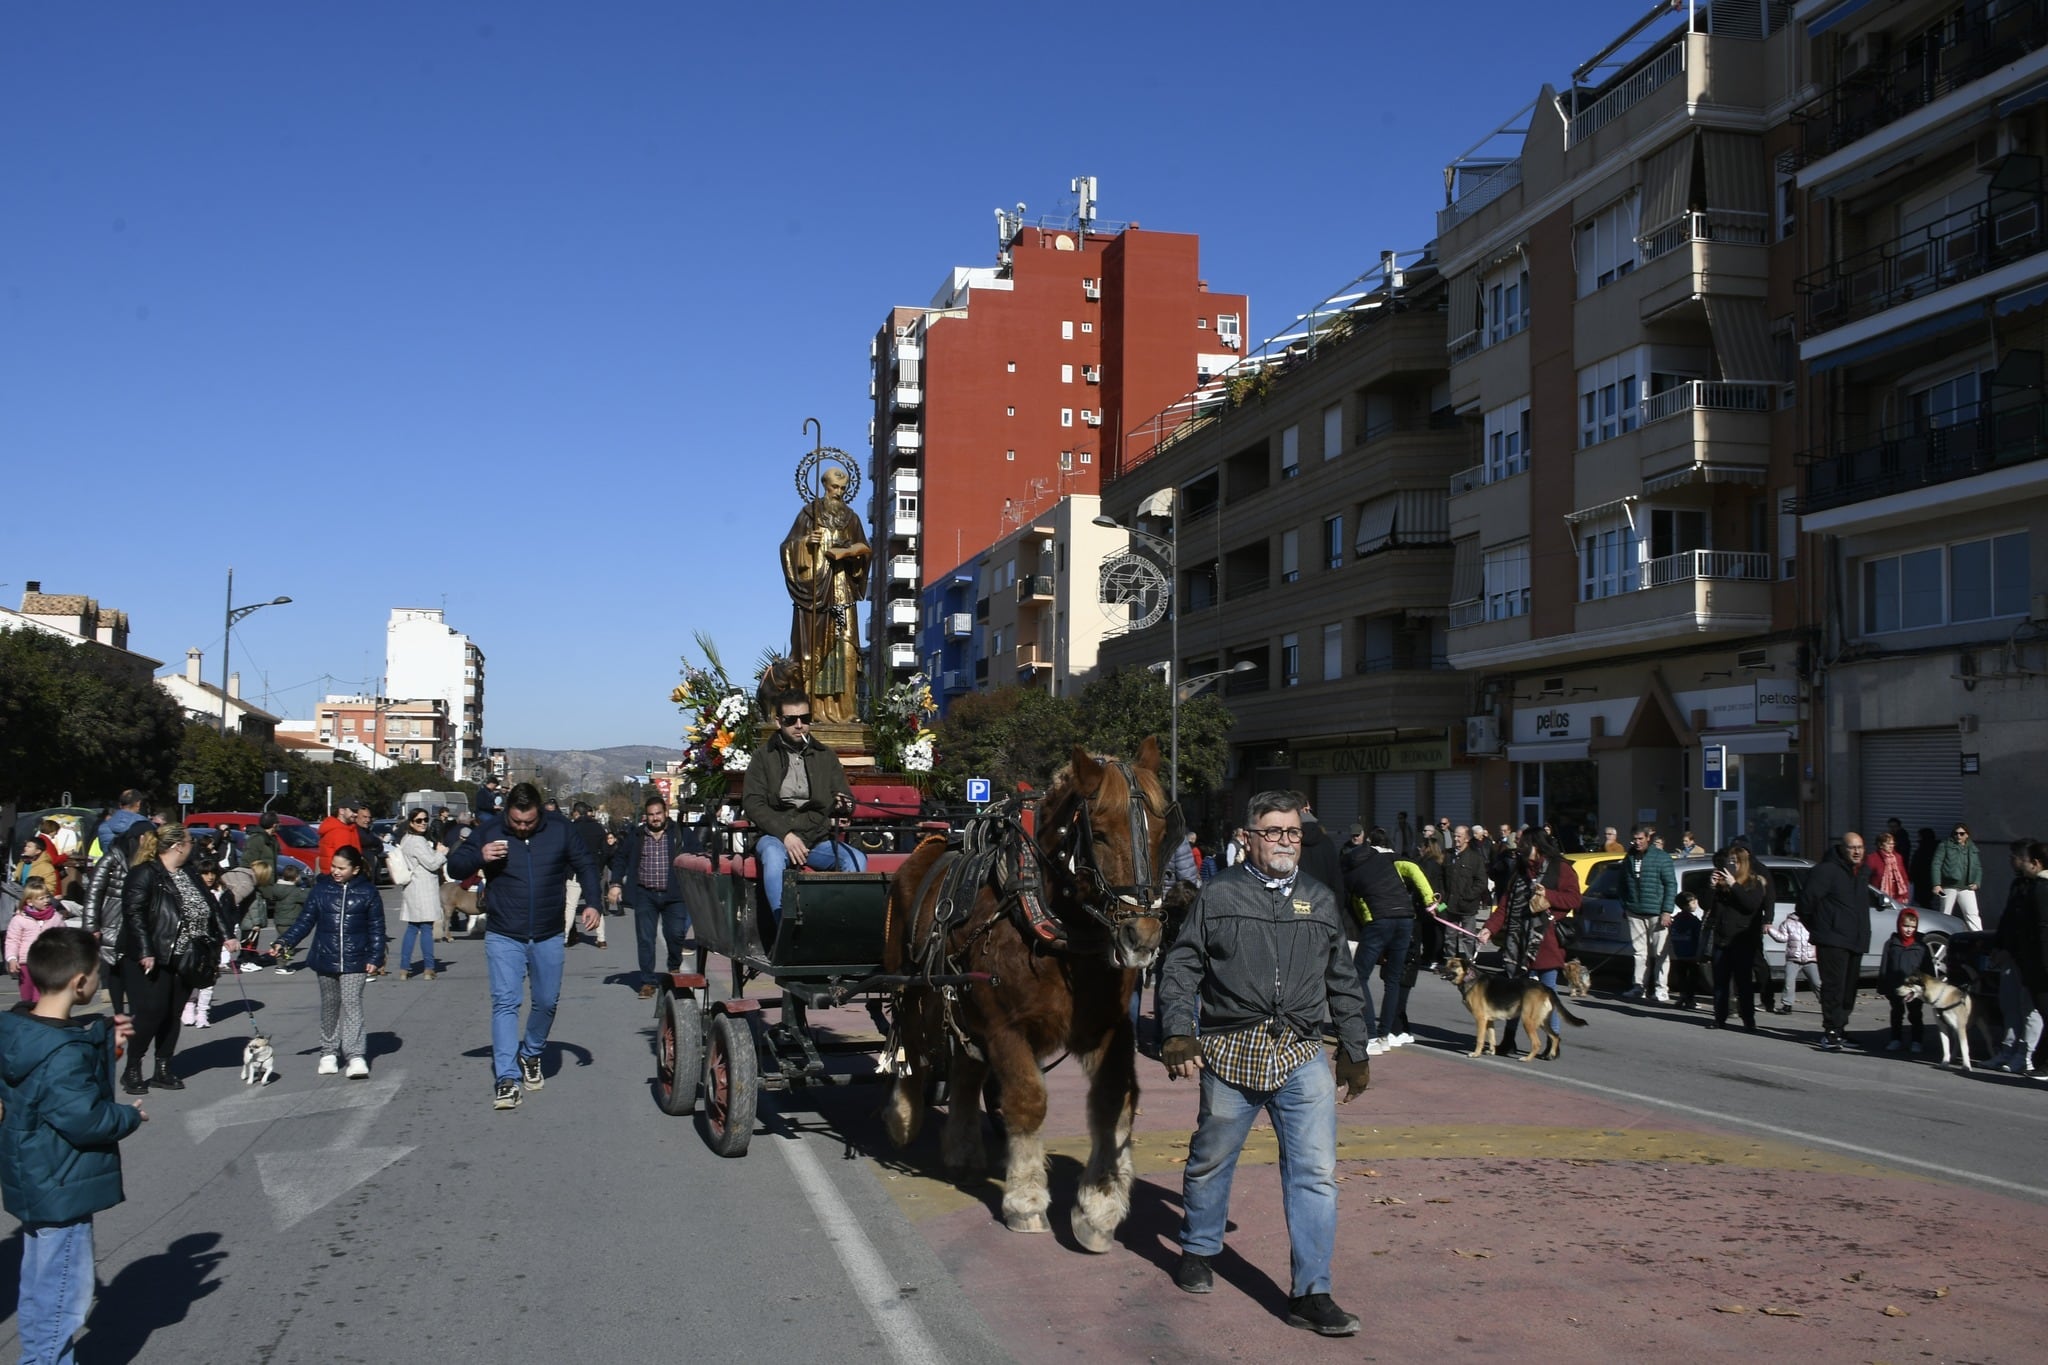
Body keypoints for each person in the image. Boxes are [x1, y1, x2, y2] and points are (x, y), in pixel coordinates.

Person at [1156, 791, 1371, 1337]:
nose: (1284, 842)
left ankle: (1312, 1293)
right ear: (1247, 838)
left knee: (1316, 1174)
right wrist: (1178, 1031)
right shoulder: (1219, 894)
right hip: (1232, 1051)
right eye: (1272, 832)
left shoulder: (1320, 899)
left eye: (1293, 832)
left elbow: (1341, 979)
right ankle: (1199, 1250)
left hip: (1301, 1054)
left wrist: (1354, 1046)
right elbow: (1182, 966)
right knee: (1210, 1159)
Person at [0, 926, 147, 1365]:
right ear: (80, 982)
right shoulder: (60, 1052)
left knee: (40, 1285)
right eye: (97, 974)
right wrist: (129, 1116)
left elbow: (67, 1043)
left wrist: (106, 1037)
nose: (99, 981)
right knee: (62, 1295)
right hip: (61, 1181)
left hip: (36, 1177)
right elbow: (85, 1119)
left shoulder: (18, 1026)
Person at [446, 782, 601, 1110]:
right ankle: (506, 1078)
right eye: (515, 822)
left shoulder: (560, 830)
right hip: (504, 933)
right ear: (507, 814)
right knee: (505, 1003)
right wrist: (479, 855)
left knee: (546, 1001)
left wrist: (594, 903)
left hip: (547, 933)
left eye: (528, 822)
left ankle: (530, 1053)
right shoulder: (489, 830)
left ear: (539, 814)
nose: (521, 827)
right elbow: (453, 867)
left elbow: (586, 864)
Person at [741, 693, 867, 922]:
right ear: (779, 722)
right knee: (772, 854)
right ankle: (784, 927)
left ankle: (841, 923)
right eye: (791, 720)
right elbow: (753, 803)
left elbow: (845, 798)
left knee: (856, 859)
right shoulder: (762, 757)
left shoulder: (825, 756)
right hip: (775, 837)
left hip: (815, 840)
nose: (799, 725)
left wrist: (845, 806)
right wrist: (785, 835)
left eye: (805, 718)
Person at [115, 823, 211, 1094]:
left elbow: (209, 904)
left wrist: (225, 934)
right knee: (151, 1012)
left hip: (184, 956)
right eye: (190, 841)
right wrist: (145, 950)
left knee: (172, 1013)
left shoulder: (188, 873)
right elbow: (133, 913)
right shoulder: (144, 873)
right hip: (151, 956)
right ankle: (132, 1068)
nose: (193, 846)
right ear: (178, 846)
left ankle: (163, 1068)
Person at [275, 845, 386, 1077]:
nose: (335, 871)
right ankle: (328, 1052)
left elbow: (376, 928)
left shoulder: (368, 892)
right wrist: (284, 942)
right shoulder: (321, 889)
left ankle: (356, 1056)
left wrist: (376, 956)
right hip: (325, 956)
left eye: (341, 868)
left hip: (356, 959)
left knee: (352, 1003)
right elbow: (305, 921)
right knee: (330, 1005)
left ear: (355, 869)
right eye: (333, 866)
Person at [782, 462, 873, 725]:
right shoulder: (808, 513)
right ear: (824, 485)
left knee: (845, 648)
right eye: (835, 487)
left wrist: (853, 553)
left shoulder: (852, 518)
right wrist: (804, 544)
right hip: (816, 593)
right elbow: (787, 546)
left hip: (842, 588)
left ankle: (845, 712)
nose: (839, 492)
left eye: (843, 488)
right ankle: (814, 710)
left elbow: (864, 548)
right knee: (816, 648)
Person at [1478, 829, 1580, 1056]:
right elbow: (1504, 906)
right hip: (1518, 943)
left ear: (1538, 845)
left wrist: (1549, 896)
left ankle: (1553, 1044)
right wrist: (1488, 929)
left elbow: (1574, 899)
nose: (1521, 849)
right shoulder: (1520, 871)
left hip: (1546, 941)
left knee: (1548, 993)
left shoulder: (1560, 868)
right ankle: (1509, 1039)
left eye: (1525, 845)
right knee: (1514, 992)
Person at [1339, 828, 1438, 1055]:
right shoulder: (1387, 860)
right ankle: (1385, 1035)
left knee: (1359, 976)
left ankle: (1371, 1035)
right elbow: (1414, 869)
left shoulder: (1349, 875)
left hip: (1380, 920)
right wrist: (1430, 900)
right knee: (1393, 979)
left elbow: (1356, 907)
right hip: (1405, 918)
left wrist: (1365, 926)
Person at [611, 794, 696, 1000]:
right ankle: (648, 981)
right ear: (646, 817)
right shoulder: (637, 835)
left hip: (675, 895)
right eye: (650, 815)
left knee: (675, 934)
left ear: (666, 813)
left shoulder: (680, 833)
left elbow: (698, 855)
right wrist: (615, 884)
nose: (655, 818)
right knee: (645, 939)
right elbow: (620, 857)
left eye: (658, 813)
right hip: (645, 894)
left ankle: (674, 967)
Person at [1796, 832, 1872, 1051]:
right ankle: (1830, 1030)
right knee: (1834, 988)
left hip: (1855, 939)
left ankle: (1840, 1028)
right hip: (1832, 940)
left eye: (1860, 847)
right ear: (1842, 849)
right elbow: (1805, 904)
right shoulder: (1826, 870)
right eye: (1852, 847)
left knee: (1849, 989)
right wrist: (1821, 928)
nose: (1857, 851)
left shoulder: (1860, 873)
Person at [1994, 840, 2048, 1076]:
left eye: (2017, 856)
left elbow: (2040, 931)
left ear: (2034, 862)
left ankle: (2028, 1056)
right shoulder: (2021, 885)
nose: (2013, 860)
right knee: (2012, 1005)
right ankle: (2011, 1050)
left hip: (2036, 961)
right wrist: (2001, 945)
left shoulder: (2039, 889)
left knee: (2033, 1010)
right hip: (2020, 956)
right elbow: (2009, 919)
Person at [1705, 846, 1771, 1031]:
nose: (1730, 864)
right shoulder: (1721, 884)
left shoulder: (1754, 882)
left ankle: (1748, 1019)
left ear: (1743, 863)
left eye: (1734, 861)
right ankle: (1719, 1018)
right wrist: (1711, 887)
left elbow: (1750, 905)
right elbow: (1706, 905)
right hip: (1722, 939)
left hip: (1742, 940)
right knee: (1720, 983)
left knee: (1743, 983)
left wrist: (1734, 884)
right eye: (1729, 861)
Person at [1618, 824, 1678, 1003]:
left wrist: (1667, 911)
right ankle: (1638, 986)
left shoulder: (1661, 858)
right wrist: (1625, 905)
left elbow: (1671, 885)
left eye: (1640, 839)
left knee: (1660, 952)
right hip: (1635, 911)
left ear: (1648, 838)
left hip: (1657, 912)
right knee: (1639, 952)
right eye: (1634, 839)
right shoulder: (1629, 857)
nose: (1637, 842)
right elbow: (1622, 884)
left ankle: (1661, 988)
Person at [393, 808, 447, 980]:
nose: (423, 823)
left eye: (425, 820)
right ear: (411, 822)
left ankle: (404, 967)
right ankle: (429, 968)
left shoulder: (406, 839)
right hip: (424, 887)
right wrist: (441, 853)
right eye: (418, 820)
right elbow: (431, 864)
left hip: (411, 887)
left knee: (412, 928)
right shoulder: (418, 841)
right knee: (426, 928)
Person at [1877, 909, 1937, 1054]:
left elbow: (1928, 968)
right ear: (1899, 924)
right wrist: (1883, 986)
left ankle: (1917, 1040)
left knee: (1915, 1014)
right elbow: (1885, 966)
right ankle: (1895, 1039)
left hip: (1914, 989)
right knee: (1896, 1013)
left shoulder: (1921, 946)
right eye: (1905, 926)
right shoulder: (1891, 944)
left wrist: (1929, 987)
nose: (1909, 930)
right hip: (1895, 986)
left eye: (1912, 926)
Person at [7, 878, 66, 1004]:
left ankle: (38, 1016)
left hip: (47, 962)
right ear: (29, 902)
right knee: (26, 995)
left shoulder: (55, 917)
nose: (46, 901)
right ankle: (27, 1014)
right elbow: (13, 940)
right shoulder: (19, 919)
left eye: (47, 897)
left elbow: (63, 938)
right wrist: (12, 958)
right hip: (25, 963)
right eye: (41, 899)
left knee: (40, 994)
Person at [1765, 900, 1821, 1014]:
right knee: (1789, 982)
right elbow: (1782, 938)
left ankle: (1827, 1003)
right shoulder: (1788, 923)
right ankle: (1787, 1005)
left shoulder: (1815, 921)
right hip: (1793, 958)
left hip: (1810, 958)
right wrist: (1770, 930)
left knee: (1817, 983)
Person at [565, 803, 609, 950]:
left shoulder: (571, 828)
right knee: (596, 904)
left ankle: (564, 937)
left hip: (575, 871)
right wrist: (600, 867)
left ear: (576, 813)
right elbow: (605, 850)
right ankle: (601, 938)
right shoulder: (598, 828)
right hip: (593, 870)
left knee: (571, 905)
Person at [1932, 823, 1983, 931]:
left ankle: (1980, 938)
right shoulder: (1945, 845)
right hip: (1948, 886)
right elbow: (1936, 864)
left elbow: (1978, 866)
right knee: (1945, 913)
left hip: (1966, 886)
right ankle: (1941, 937)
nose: (1958, 836)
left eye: (1961, 833)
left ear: (1967, 835)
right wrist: (1936, 884)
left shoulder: (1972, 847)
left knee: (1972, 914)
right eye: (1956, 833)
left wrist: (1977, 882)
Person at [1446, 825, 1491, 943]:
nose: (1456, 839)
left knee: (1468, 937)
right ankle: (1450, 960)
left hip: (1468, 906)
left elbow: (1481, 882)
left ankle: (1468, 960)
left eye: (1459, 836)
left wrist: (1468, 896)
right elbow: (1442, 878)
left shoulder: (1475, 858)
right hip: (1449, 905)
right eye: (1454, 836)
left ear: (1467, 839)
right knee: (1450, 936)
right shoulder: (1448, 855)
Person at [1295, 802, 1343, 901]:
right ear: (1306, 809)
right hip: (1324, 902)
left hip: (1297, 904)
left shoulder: (1290, 842)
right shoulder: (1327, 842)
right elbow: (1336, 880)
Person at [318, 799, 364, 874]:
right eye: (353, 811)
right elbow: (344, 858)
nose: (356, 814)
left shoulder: (349, 828)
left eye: (356, 811)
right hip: (339, 875)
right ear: (341, 811)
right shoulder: (338, 831)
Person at [1866, 831, 1912, 905]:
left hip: (1898, 898)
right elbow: (1865, 879)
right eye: (1888, 843)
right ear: (1880, 845)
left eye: (1893, 843)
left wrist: (1905, 896)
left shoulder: (1898, 857)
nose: (1891, 846)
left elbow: (1904, 877)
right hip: (1879, 899)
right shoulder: (1872, 858)